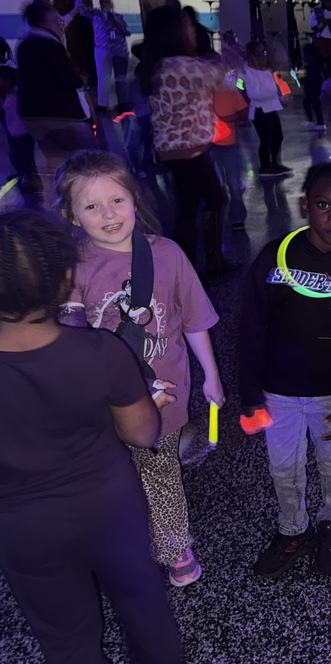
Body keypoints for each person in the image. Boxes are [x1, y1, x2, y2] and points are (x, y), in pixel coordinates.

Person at [0, 210, 183, 664]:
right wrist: (147, 403)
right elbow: (142, 433)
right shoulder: (102, 352)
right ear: (66, 278)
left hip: (24, 525)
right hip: (109, 504)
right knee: (144, 608)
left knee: (67, 639)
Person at [56, 151, 224, 588]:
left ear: (134, 198)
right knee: (111, 480)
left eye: (116, 200)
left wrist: (212, 377)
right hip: (102, 403)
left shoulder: (167, 254)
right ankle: (121, 547)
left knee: (161, 474)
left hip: (164, 400)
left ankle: (174, 548)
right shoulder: (71, 267)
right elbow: (69, 339)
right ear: (71, 215)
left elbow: (194, 320)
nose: (108, 215)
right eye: (91, 206)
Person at [240, 163, 331, 580]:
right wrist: (249, 395)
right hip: (277, 392)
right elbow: (250, 328)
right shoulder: (273, 258)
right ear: (305, 206)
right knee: (284, 467)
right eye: (324, 205)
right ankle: (292, 529)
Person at [138, 4, 233, 273]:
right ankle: (199, 267)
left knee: (190, 206)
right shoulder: (179, 66)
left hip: (179, 150)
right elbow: (219, 73)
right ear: (174, 32)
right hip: (186, 150)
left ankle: (199, 266)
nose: (193, 30)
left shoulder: (164, 64)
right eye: (189, 26)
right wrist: (225, 47)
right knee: (212, 199)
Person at [17, 1, 100, 193]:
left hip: (31, 116)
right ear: (42, 23)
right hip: (60, 115)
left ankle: (65, 200)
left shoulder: (25, 44)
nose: (61, 25)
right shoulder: (51, 46)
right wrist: (81, 79)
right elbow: (68, 80)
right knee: (92, 157)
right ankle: (92, 195)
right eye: (56, 21)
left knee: (56, 161)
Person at [71, 0, 130, 111]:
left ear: (111, 3)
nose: (104, 4)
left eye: (106, 1)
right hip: (102, 51)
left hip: (120, 51)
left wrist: (115, 21)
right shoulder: (95, 14)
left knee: (121, 79)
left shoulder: (118, 16)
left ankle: (123, 104)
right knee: (103, 78)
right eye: (101, 1)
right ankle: (103, 105)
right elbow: (79, 6)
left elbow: (127, 32)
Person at [244, 40, 290, 179]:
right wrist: (275, 95)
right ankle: (265, 166)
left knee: (277, 136)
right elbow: (254, 93)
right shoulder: (248, 72)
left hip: (271, 108)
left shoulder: (267, 71)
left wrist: (281, 96)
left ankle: (275, 163)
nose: (263, 57)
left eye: (264, 53)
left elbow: (275, 87)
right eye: (259, 54)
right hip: (260, 110)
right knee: (266, 139)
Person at [0, 63, 43, 208]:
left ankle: (31, 181)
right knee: (18, 157)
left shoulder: (15, 96)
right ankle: (27, 177)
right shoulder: (7, 96)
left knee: (24, 158)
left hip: (22, 133)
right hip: (15, 133)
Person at [211, 74, 250, 230]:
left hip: (227, 144)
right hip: (205, 145)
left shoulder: (230, 91)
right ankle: (216, 219)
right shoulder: (199, 92)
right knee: (215, 185)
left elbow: (243, 113)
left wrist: (230, 118)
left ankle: (236, 217)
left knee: (233, 184)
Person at [301, 41, 326, 131]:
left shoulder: (312, 64)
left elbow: (310, 77)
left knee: (311, 103)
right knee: (315, 104)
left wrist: (303, 80)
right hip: (316, 86)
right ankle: (317, 122)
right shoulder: (316, 63)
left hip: (312, 87)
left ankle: (317, 122)